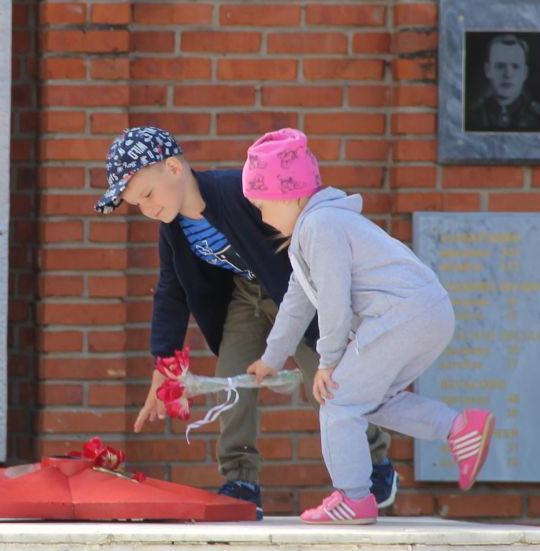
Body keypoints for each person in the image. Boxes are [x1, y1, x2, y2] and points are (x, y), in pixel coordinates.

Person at [95, 126, 395, 513]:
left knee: (326, 381)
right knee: (232, 379)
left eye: (148, 194)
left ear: (173, 168)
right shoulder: (173, 231)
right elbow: (171, 291)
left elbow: (303, 224)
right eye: (137, 204)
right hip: (245, 297)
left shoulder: (239, 190)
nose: (147, 209)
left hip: (296, 295)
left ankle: (374, 458)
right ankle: (240, 479)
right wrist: (163, 363)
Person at [241, 128, 495, 524]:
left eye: (262, 205)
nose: (262, 217)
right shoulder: (319, 227)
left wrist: (328, 362)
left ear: (289, 194)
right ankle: (460, 428)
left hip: (401, 314)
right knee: (374, 400)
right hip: (428, 312)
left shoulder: (319, 226)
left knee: (338, 401)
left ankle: (355, 497)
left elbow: (333, 297)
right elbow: (298, 300)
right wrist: (271, 358)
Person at [466, 33, 540, 132]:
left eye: (515, 66)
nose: (508, 74)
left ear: (525, 73)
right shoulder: (471, 115)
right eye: (500, 66)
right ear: (487, 70)